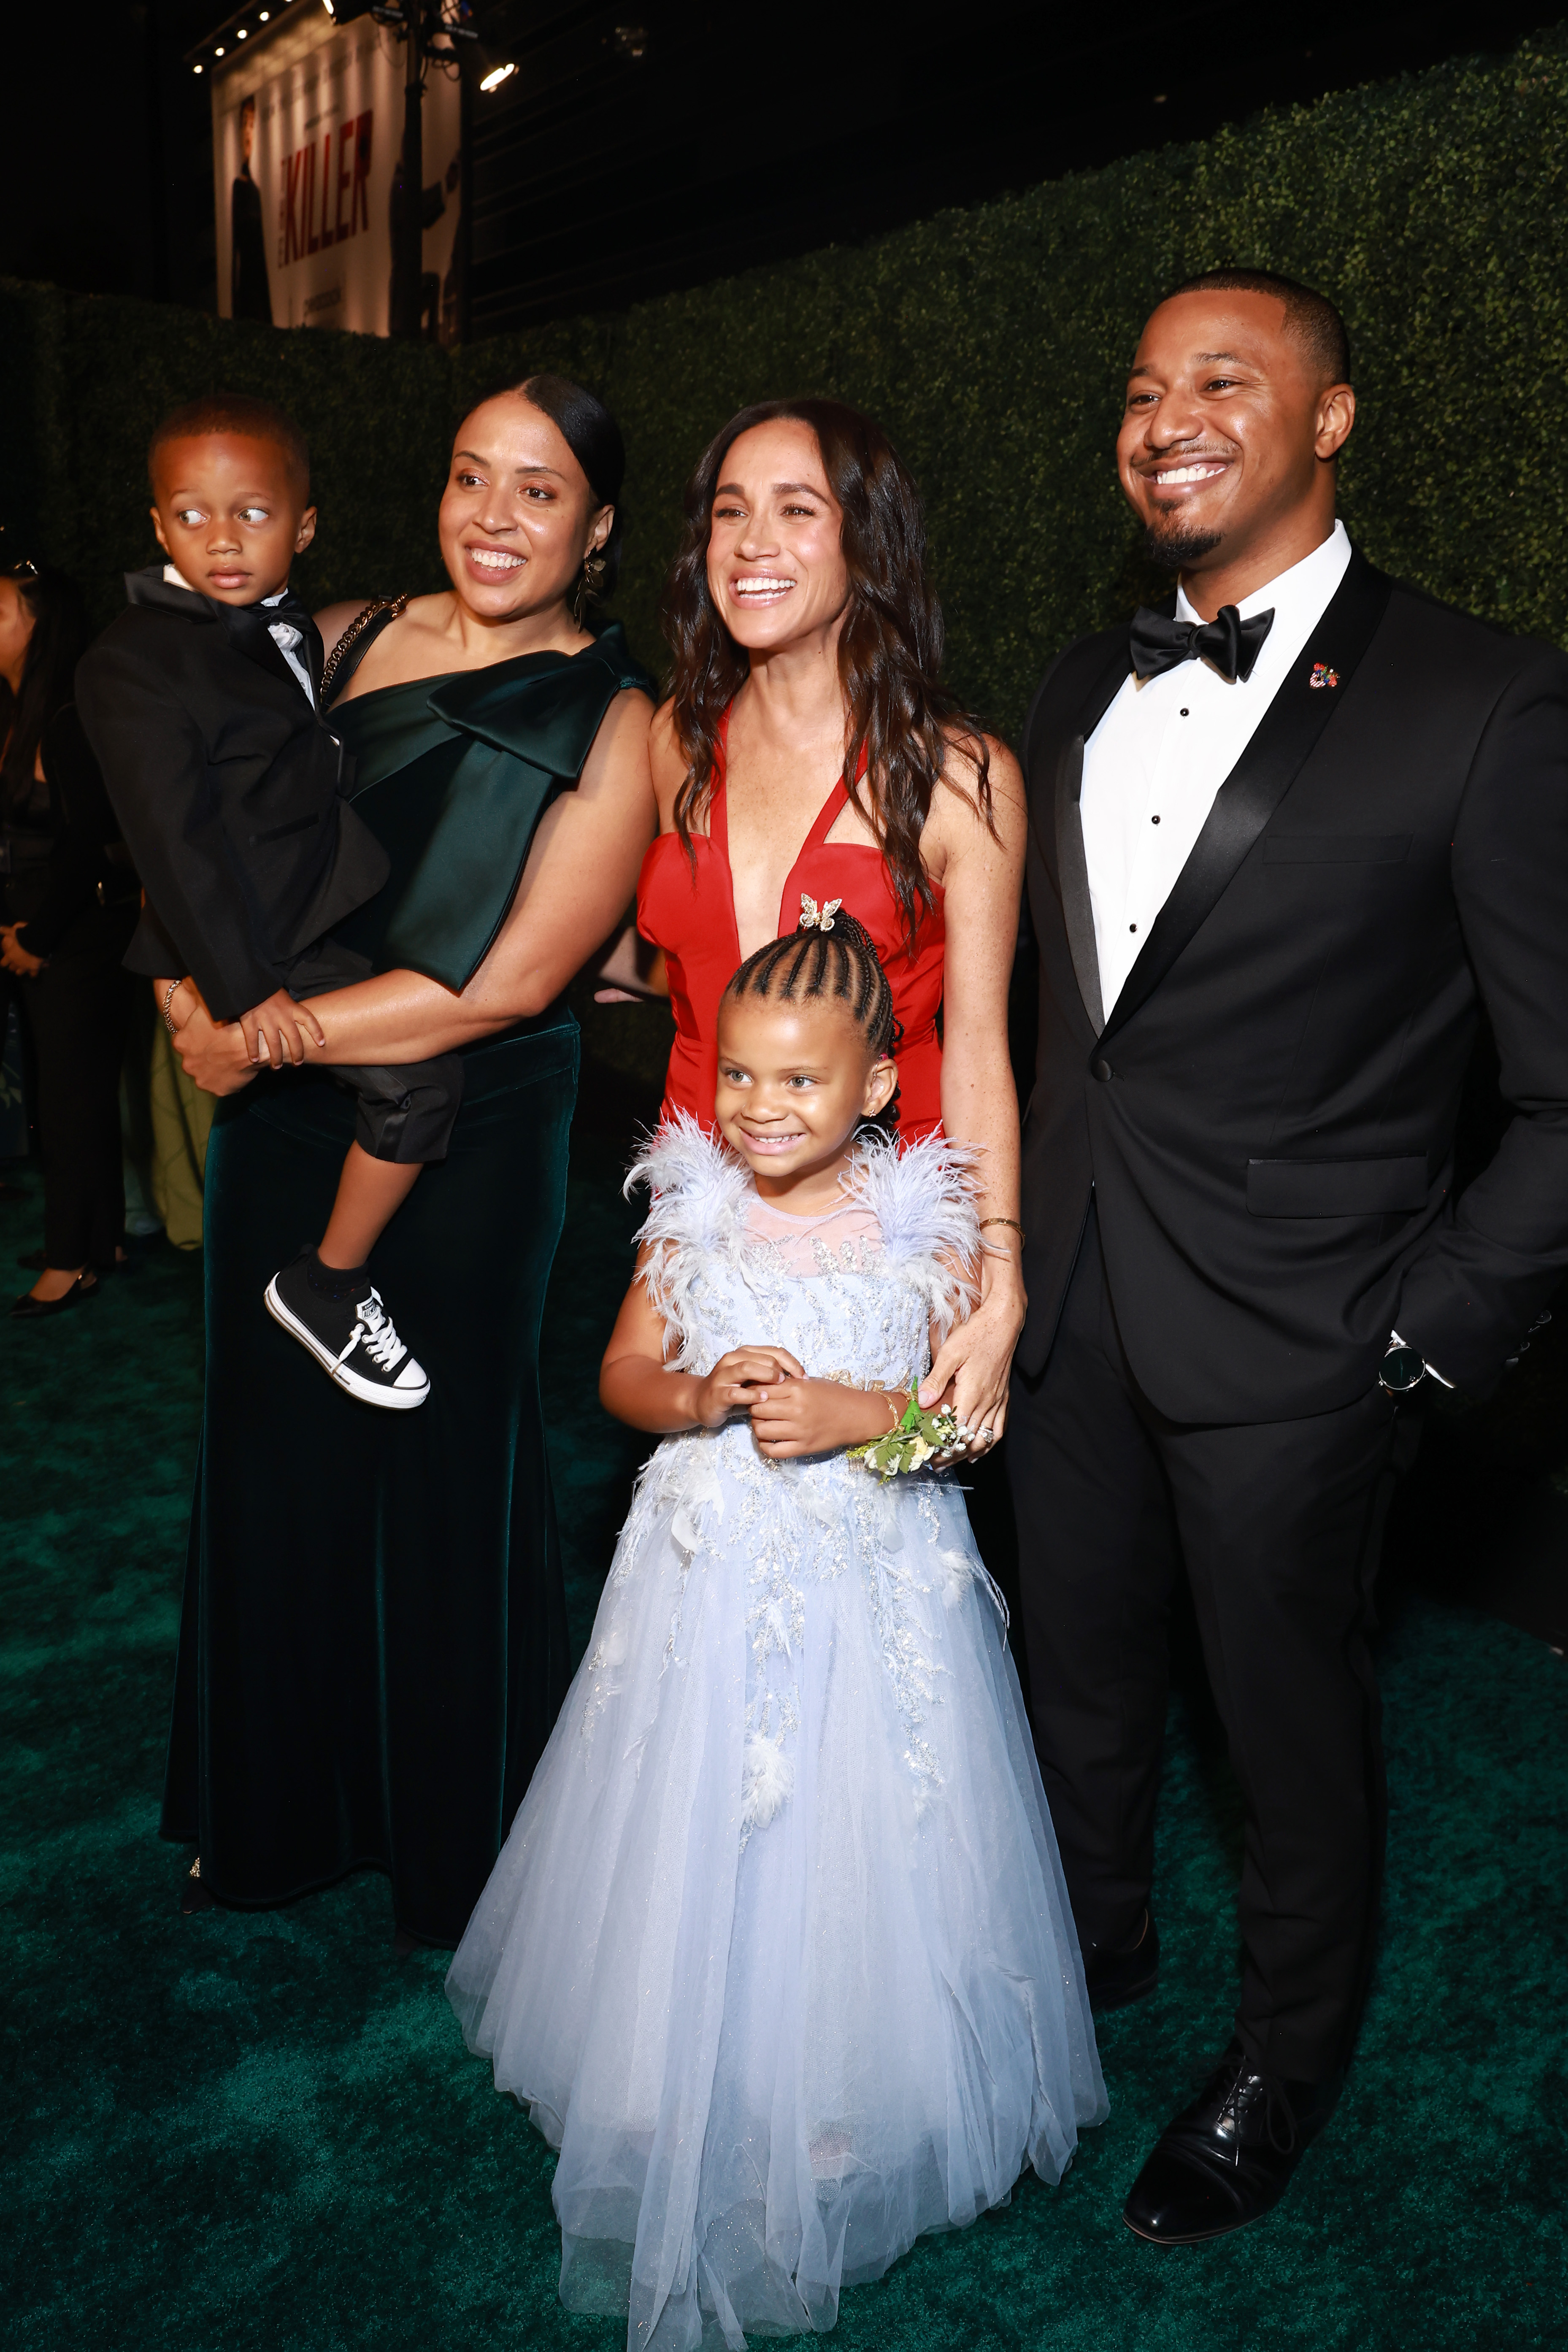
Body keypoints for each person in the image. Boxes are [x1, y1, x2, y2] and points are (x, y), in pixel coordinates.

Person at [1009, 268, 1568, 2244]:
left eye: (1223, 380)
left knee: (1283, 1722)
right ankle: (1087, 1957)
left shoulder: (1485, 697)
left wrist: (1424, 1335)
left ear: (1328, 419)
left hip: (1307, 1339)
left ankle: (1283, 2056)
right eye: (1143, 385)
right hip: (1065, 1297)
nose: (1168, 414)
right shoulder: (1077, 680)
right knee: (1069, 1669)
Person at [448, 908, 1106, 2349]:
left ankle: (843, 2084)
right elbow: (624, 1369)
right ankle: (666, 2056)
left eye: (800, 1081)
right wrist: (699, 1398)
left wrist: (864, 1415)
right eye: (740, 1073)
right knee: (691, 1816)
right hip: (701, 1576)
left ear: (877, 1084)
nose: (760, 1106)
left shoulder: (923, 1225)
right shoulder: (690, 1206)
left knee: (854, 1832)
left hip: (872, 1587)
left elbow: (963, 1428)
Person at [158, 373, 657, 1946]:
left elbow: (510, 982)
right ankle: (271, 1812)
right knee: (270, 1448)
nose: (493, 517)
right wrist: (184, 974)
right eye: (468, 477)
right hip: (288, 1122)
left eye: (538, 490)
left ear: (596, 528)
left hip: (478, 1124)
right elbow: (200, 816)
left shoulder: (623, 717)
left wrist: (264, 1035)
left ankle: (454, 1841)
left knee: (448, 1462)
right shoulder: (347, 636)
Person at [632, 397, 1028, 1453]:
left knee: (882, 1510)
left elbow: (983, 1042)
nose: (752, 544)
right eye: (728, 511)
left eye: (796, 510)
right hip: (706, 1205)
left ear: (867, 540)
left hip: (887, 1228)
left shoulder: (958, 775)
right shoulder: (675, 740)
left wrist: (998, 1267)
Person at [76, 392, 462, 1408]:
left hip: (322, 910)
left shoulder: (289, 628)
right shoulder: (129, 659)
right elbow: (175, 845)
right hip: (256, 940)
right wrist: (241, 997)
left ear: (305, 525)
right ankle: (327, 1286)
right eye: (191, 515)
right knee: (421, 1084)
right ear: (157, 526)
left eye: (250, 513)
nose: (222, 539)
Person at [0, 560, 140, 1318]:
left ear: (37, 626)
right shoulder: (21, 709)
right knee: (77, 1095)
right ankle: (102, 1240)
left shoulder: (66, 715)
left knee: (68, 1102)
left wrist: (39, 937)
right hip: (47, 931)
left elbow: (90, 841)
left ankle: (67, 1261)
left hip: (76, 938)